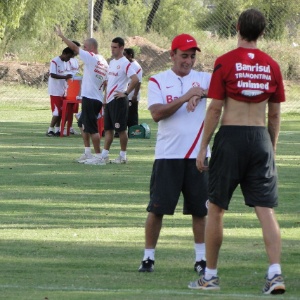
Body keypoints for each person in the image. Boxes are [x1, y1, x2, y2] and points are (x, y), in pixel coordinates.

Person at [188, 9, 286, 295]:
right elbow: (275, 115)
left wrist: (203, 146)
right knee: (265, 209)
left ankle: (210, 276)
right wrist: (271, 148)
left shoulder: (226, 61)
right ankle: (275, 273)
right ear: (263, 33)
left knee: (216, 208)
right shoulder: (272, 65)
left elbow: (215, 107)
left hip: (231, 137)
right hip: (259, 138)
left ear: (238, 27)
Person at [138, 34, 211, 274]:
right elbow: (157, 114)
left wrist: (199, 92)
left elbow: (228, 87)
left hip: (198, 156)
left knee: (200, 211)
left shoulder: (203, 78)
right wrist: (185, 97)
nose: (188, 61)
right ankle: (148, 258)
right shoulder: (158, 81)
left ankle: (201, 260)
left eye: (192, 56)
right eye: (183, 56)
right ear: (172, 55)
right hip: (168, 156)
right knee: (157, 209)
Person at [54, 26, 108, 163]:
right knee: (82, 123)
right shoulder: (104, 61)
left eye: (85, 46)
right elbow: (106, 82)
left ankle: (98, 157)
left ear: (91, 48)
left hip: (91, 97)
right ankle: (87, 152)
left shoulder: (92, 57)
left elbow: (74, 48)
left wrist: (62, 36)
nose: (82, 49)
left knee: (92, 128)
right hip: (95, 97)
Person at [89, 37, 139, 165]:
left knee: (121, 129)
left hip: (119, 101)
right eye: (111, 47)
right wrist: (105, 98)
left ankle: (123, 156)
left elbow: (135, 79)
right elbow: (108, 82)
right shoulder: (111, 62)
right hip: (110, 101)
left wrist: (126, 93)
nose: (112, 50)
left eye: (115, 47)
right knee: (108, 129)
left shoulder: (125, 63)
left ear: (122, 48)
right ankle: (104, 155)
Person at [46, 47, 74, 136]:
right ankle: (50, 129)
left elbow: (64, 74)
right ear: (64, 53)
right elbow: (53, 74)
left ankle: (58, 130)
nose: (69, 59)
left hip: (62, 90)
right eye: (68, 57)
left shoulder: (65, 63)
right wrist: (65, 77)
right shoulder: (54, 61)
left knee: (62, 112)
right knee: (57, 112)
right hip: (55, 90)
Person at [123, 48, 143, 130]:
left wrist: (135, 95)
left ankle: (133, 130)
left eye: (125, 54)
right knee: (123, 113)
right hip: (125, 93)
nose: (123, 56)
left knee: (132, 114)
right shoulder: (125, 64)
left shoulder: (136, 66)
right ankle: (120, 130)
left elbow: (138, 82)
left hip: (132, 95)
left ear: (130, 55)